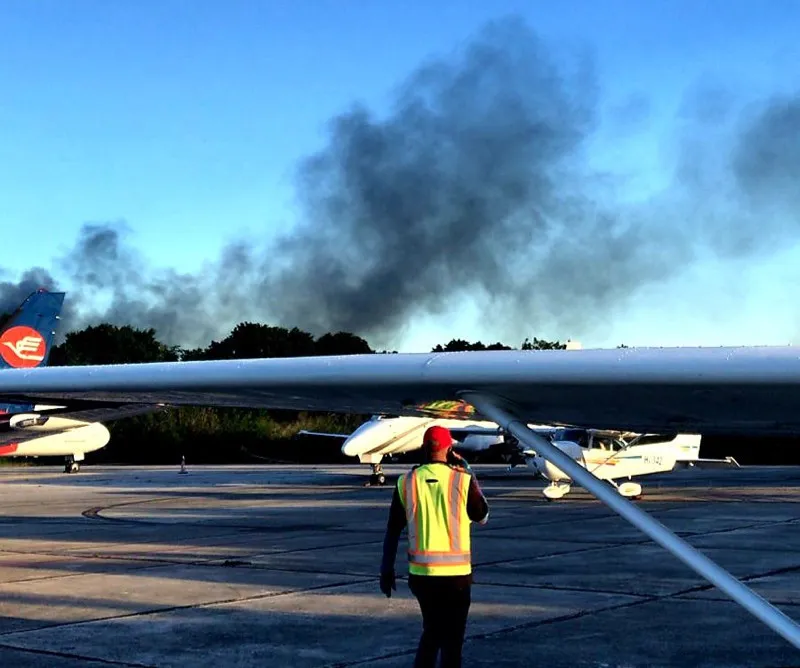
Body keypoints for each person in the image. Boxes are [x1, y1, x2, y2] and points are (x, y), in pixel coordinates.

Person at [380, 425, 489, 668]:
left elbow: (392, 530)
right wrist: (470, 471)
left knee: (433, 631)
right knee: (451, 640)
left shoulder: (406, 482)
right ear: (450, 449)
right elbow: (482, 517)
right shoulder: (462, 479)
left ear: (423, 448)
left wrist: (386, 569)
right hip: (456, 577)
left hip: (421, 576)